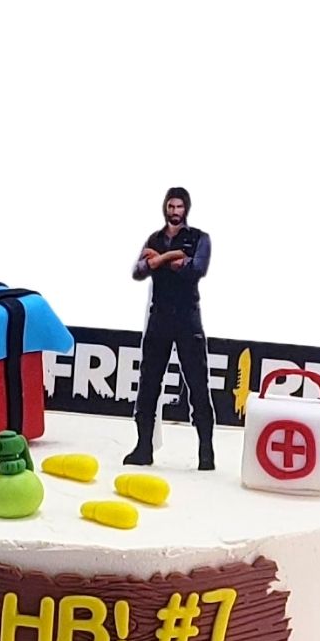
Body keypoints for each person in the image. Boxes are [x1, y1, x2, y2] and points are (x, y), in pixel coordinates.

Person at [125, 186, 215, 469]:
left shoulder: (199, 238)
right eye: (171, 206)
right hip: (159, 317)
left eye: (179, 207)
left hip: (188, 318)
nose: (175, 212)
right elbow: (138, 271)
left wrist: (159, 259)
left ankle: (206, 452)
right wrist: (171, 258)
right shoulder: (154, 237)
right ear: (165, 207)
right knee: (148, 383)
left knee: (198, 384)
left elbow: (196, 269)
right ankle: (143, 447)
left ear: (186, 209)